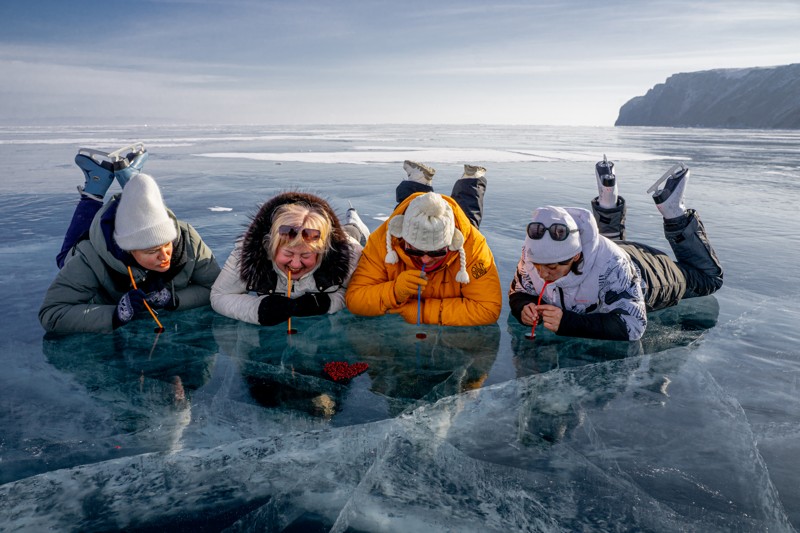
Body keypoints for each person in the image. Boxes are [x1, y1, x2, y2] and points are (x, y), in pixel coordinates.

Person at [508, 158, 724, 341]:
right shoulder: (531, 254)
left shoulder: (611, 266)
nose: (543, 274)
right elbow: (519, 291)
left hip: (650, 275)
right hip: (611, 250)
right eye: (538, 266)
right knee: (607, 246)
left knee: (709, 278)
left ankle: (674, 211)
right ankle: (607, 197)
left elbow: (633, 325)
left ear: (573, 256)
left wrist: (569, 323)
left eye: (552, 267)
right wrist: (523, 307)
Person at [39, 145, 221, 334]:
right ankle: (96, 185)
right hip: (97, 245)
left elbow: (217, 289)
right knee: (64, 259)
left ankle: (133, 180)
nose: (164, 256)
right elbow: (52, 314)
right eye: (151, 251)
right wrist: (115, 314)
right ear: (128, 250)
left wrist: (173, 299)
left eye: (167, 244)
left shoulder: (188, 239)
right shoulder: (89, 258)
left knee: (143, 206)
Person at [345, 161, 502, 326]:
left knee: (468, 216)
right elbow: (355, 299)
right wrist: (395, 291)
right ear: (402, 237)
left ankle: (471, 180)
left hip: (459, 232)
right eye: (415, 252)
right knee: (415, 206)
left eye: (437, 252)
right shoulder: (385, 240)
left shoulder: (472, 246)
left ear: (452, 243)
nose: (425, 259)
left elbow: (487, 309)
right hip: (412, 221)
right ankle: (419, 180)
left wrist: (421, 312)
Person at [210, 192, 365, 326]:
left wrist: (326, 303)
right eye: (288, 254)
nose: (296, 264)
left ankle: (356, 225)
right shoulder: (245, 257)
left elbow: (356, 291)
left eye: (306, 255)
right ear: (271, 247)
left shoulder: (348, 256)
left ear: (321, 251)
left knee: (352, 233)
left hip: (349, 238)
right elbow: (219, 296)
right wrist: (258, 309)